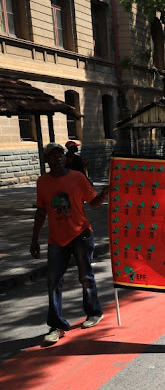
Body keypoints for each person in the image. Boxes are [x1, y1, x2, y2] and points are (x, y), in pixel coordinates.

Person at [31, 142, 109, 344]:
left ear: (65, 158)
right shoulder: (42, 182)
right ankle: (56, 325)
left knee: (86, 276)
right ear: (46, 160)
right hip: (57, 240)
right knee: (53, 280)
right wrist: (34, 240)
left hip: (81, 234)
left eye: (60, 156)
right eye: (52, 156)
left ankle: (94, 312)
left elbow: (92, 202)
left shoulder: (78, 177)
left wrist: (103, 194)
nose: (56, 159)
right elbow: (41, 211)